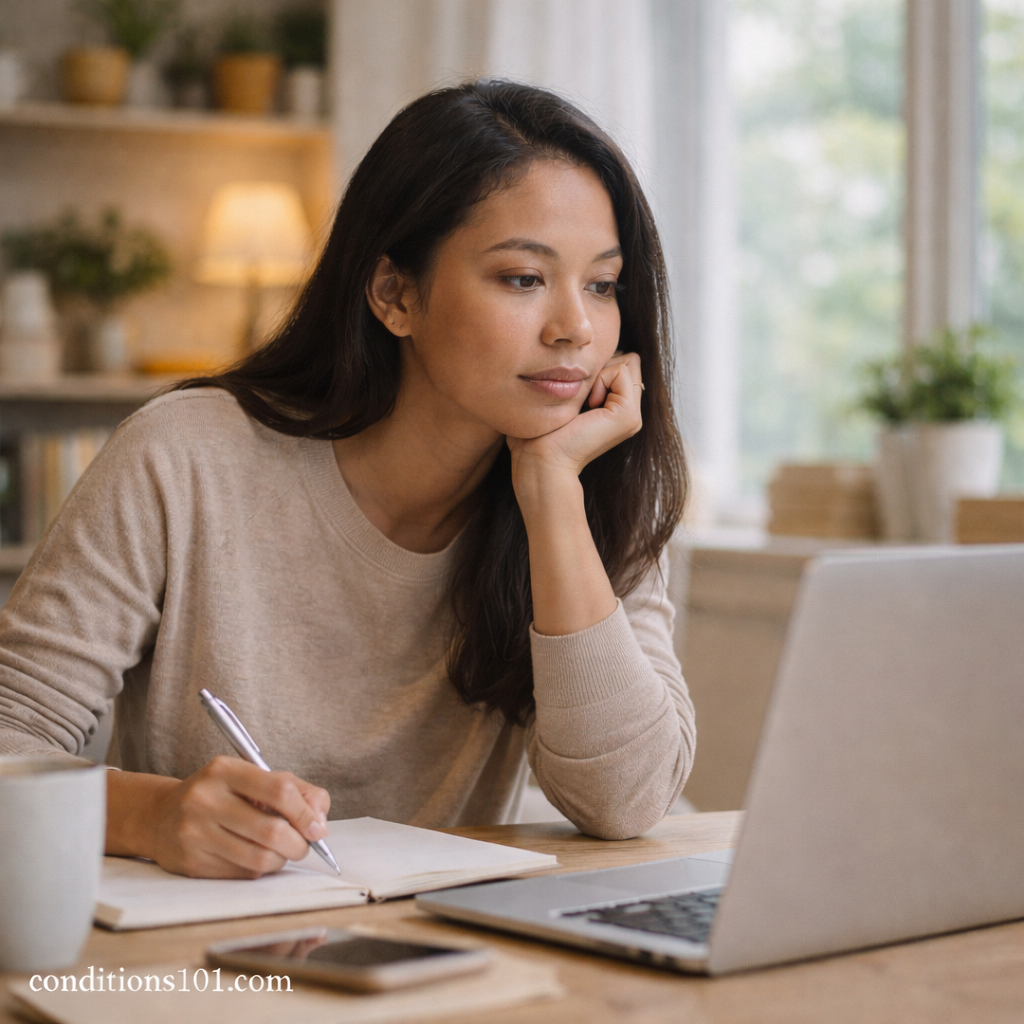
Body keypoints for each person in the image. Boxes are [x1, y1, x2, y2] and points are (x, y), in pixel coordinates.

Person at [0, 80, 694, 879]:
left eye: (602, 284)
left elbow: (627, 801)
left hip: (457, 961)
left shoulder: (594, 483)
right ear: (395, 295)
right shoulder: (184, 457)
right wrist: (153, 814)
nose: (576, 327)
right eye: (523, 279)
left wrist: (550, 495)